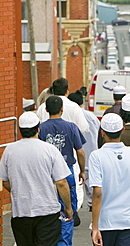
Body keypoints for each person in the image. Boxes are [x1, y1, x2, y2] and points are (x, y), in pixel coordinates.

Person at [0, 112, 73, 246]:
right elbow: (61, 182)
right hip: (47, 211)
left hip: (21, 211)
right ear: (38, 129)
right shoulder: (50, 149)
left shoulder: (10, 150)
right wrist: (68, 207)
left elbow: (3, 179)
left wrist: (18, 190)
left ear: (20, 130)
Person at [88, 113, 130, 246]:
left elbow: (97, 193)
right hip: (129, 222)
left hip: (105, 223)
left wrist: (95, 227)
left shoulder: (96, 156)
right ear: (122, 130)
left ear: (102, 132)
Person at [36, 77, 89, 224]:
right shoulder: (74, 108)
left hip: (46, 163)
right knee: (70, 190)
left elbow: (36, 130)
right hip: (68, 159)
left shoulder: (42, 109)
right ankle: (70, 214)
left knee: (49, 194)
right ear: (67, 91)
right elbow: (84, 129)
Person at [68, 90, 100, 212]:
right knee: (93, 187)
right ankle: (93, 207)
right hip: (91, 154)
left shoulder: (70, 116)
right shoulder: (91, 117)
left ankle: (74, 207)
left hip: (76, 157)